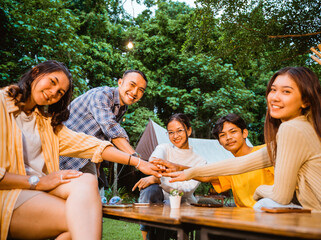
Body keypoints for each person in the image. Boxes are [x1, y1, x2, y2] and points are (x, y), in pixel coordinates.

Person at [164, 67, 321, 215]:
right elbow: (240, 164)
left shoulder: (292, 129)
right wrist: (189, 172)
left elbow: (281, 195)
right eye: (273, 90)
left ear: (305, 101)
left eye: (286, 92)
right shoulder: (306, 127)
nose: (274, 97)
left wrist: (258, 191)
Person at [0, 60, 161, 240]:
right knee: (84, 219)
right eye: (52, 82)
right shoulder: (102, 95)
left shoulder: (45, 122)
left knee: (87, 182)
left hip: (71, 166)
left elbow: (92, 144)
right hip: (22, 183)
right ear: (35, 72)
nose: (53, 93)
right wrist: (38, 182)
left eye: (60, 92)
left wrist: (138, 162)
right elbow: (111, 130)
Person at [132, 113, 206, 240]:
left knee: (167, 203)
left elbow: (185, 191)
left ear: (189, 130)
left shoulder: (199, 161)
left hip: (183, 203)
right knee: (150, 190)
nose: (175, 136)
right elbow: (154, 160)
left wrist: (158, 179)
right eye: (171, 132)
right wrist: (155, 175)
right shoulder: (164, 148)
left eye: (179, 131)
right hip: (158, 202)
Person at [60, 69, 148, 175]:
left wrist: (97, 164)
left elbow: (102, 136)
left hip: (85, 156)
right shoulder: (102, 95)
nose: (135, 92)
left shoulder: (122, 108)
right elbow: (111, 129)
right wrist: (137, 160)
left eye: (141, 90)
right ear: (120, 82)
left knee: (94, 187)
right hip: (62, 153)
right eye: (132, 85)